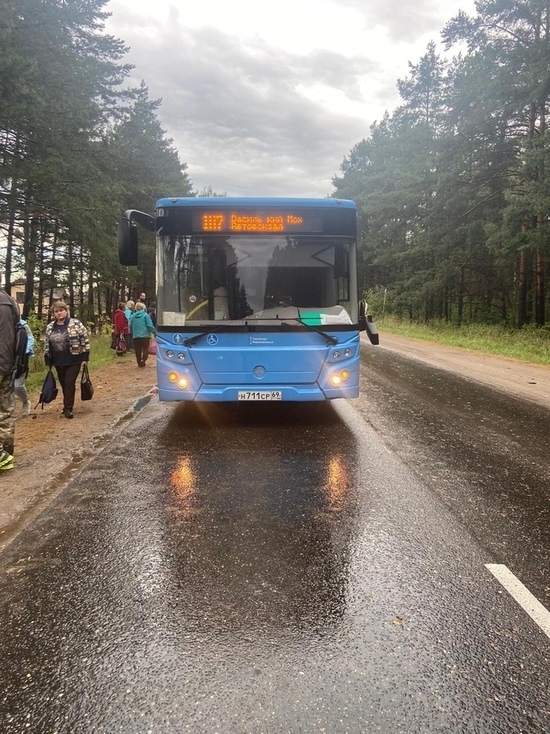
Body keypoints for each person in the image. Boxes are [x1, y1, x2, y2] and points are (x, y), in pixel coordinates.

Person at [44, 302, 90, 419]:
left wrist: (85, 357)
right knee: (63, 384)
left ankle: (68, 408)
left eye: (61, 310)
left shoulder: (76, 323)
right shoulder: (50, 327)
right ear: (53, 313)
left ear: (66, 311)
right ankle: (67, 403)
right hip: (58, 361)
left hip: (74, 359)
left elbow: (84, 340)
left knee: (69, 383)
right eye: (56, 311)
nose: (59, 313)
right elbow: (47, 343)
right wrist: (47, 358)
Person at [0, 289, 20, 470]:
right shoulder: (10, 301)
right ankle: (6, 454)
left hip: (1, 363)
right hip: (8, 364)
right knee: (5, 411)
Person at [14, 318, 34, 417]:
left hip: (20, 359)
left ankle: (25, 401)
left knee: (17, 385)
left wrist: (24, 352)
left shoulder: (22, 324)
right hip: (5, 359)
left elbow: (30, 338)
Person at [129, 301, 156, 368]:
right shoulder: (145, 315)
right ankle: (143, 360)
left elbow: (130, 325)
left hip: (136, 336)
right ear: (143, 308)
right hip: (145, 336)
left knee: (137, 349)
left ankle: (139, 363)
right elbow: (149, 325)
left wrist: (133, 332)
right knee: (145, 348)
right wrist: (155, 332)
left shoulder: (132, 316)